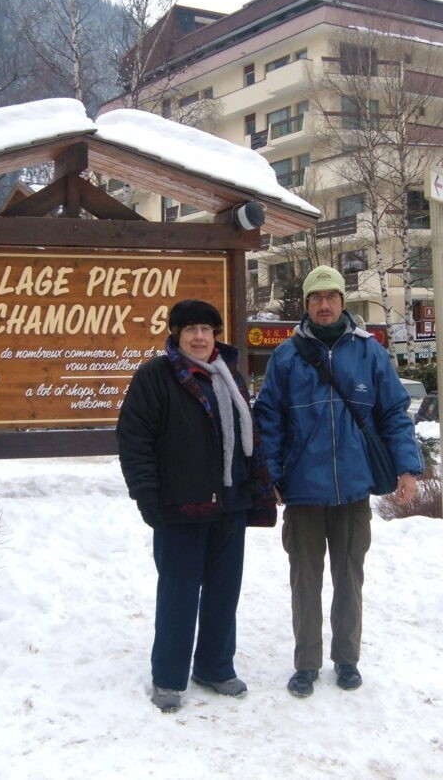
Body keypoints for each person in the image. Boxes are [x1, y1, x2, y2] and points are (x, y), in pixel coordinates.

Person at [253, 265, 423, 699]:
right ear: (306, 305)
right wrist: (271, 475)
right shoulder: (286, 357)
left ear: (342, 301)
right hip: (303, 492)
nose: (324, 305)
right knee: (304, 581)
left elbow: (393, 414)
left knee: (350, 577)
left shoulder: (370, 353)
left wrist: (407, 468)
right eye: (316, 298)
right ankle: (306, 663)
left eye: (331, 297)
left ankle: (347, 659)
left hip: (352, 490)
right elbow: (268, 420)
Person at [116, 299, 277, 713]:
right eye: (190, 329)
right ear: (176, 334)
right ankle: (168, 677)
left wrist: (258, 487)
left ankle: (214, 665)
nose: (200, 337)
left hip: (230, 504)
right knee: (179, 594)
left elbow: (249, 438)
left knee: (224, 592)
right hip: (179, 507)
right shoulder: (155, 376)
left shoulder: (229, 376)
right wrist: (147, 497)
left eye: (207, 329)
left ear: (216, 334)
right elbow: (135, 442)